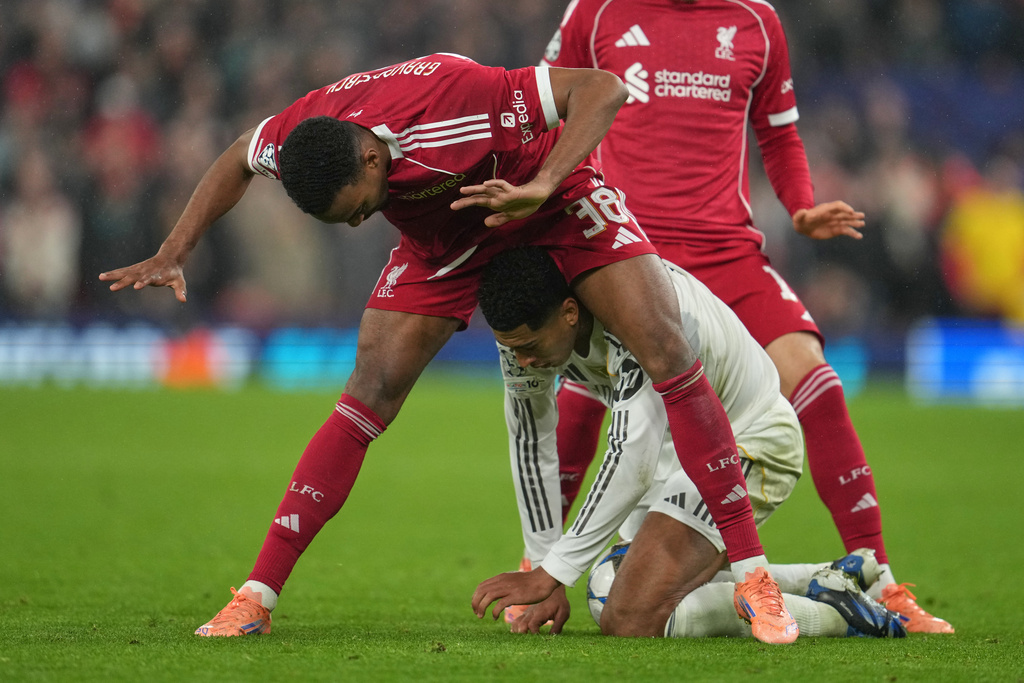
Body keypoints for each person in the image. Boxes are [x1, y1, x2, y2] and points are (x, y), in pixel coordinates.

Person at [99, 53, 796, 642]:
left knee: (666, 348)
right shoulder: (299, 138)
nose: (356, 226)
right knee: (370, 393)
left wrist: (544, 181)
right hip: (447, 239)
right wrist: (173, 250)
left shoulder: (460, 100)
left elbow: (603, 88)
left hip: (539, 195)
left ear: (372, 155)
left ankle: (756, 574)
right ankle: (256, 594)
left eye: (358, 207)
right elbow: (235, 159)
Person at [537, 0, 952, 633]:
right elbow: (542, 110)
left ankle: (882, 581)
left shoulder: (758, 20)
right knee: (584, 400)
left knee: (816, 381)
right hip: (626, 241)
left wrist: (801, 206)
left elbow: (779, 132)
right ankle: (538, 565)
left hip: (727, 250)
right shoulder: (597, 12)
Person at [470, 246, 905, 640]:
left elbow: (631, 454)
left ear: (569, 312)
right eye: (512, 349)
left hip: (749, 442)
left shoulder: (635, 314)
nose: (523, 360)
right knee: (606, 589)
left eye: (529, 346)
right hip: (677, 458)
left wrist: (554, 571)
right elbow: (531, 442)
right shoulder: (526, 336)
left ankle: (836, 615)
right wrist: (546, 562)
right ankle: (823, 578)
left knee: (630, 617)